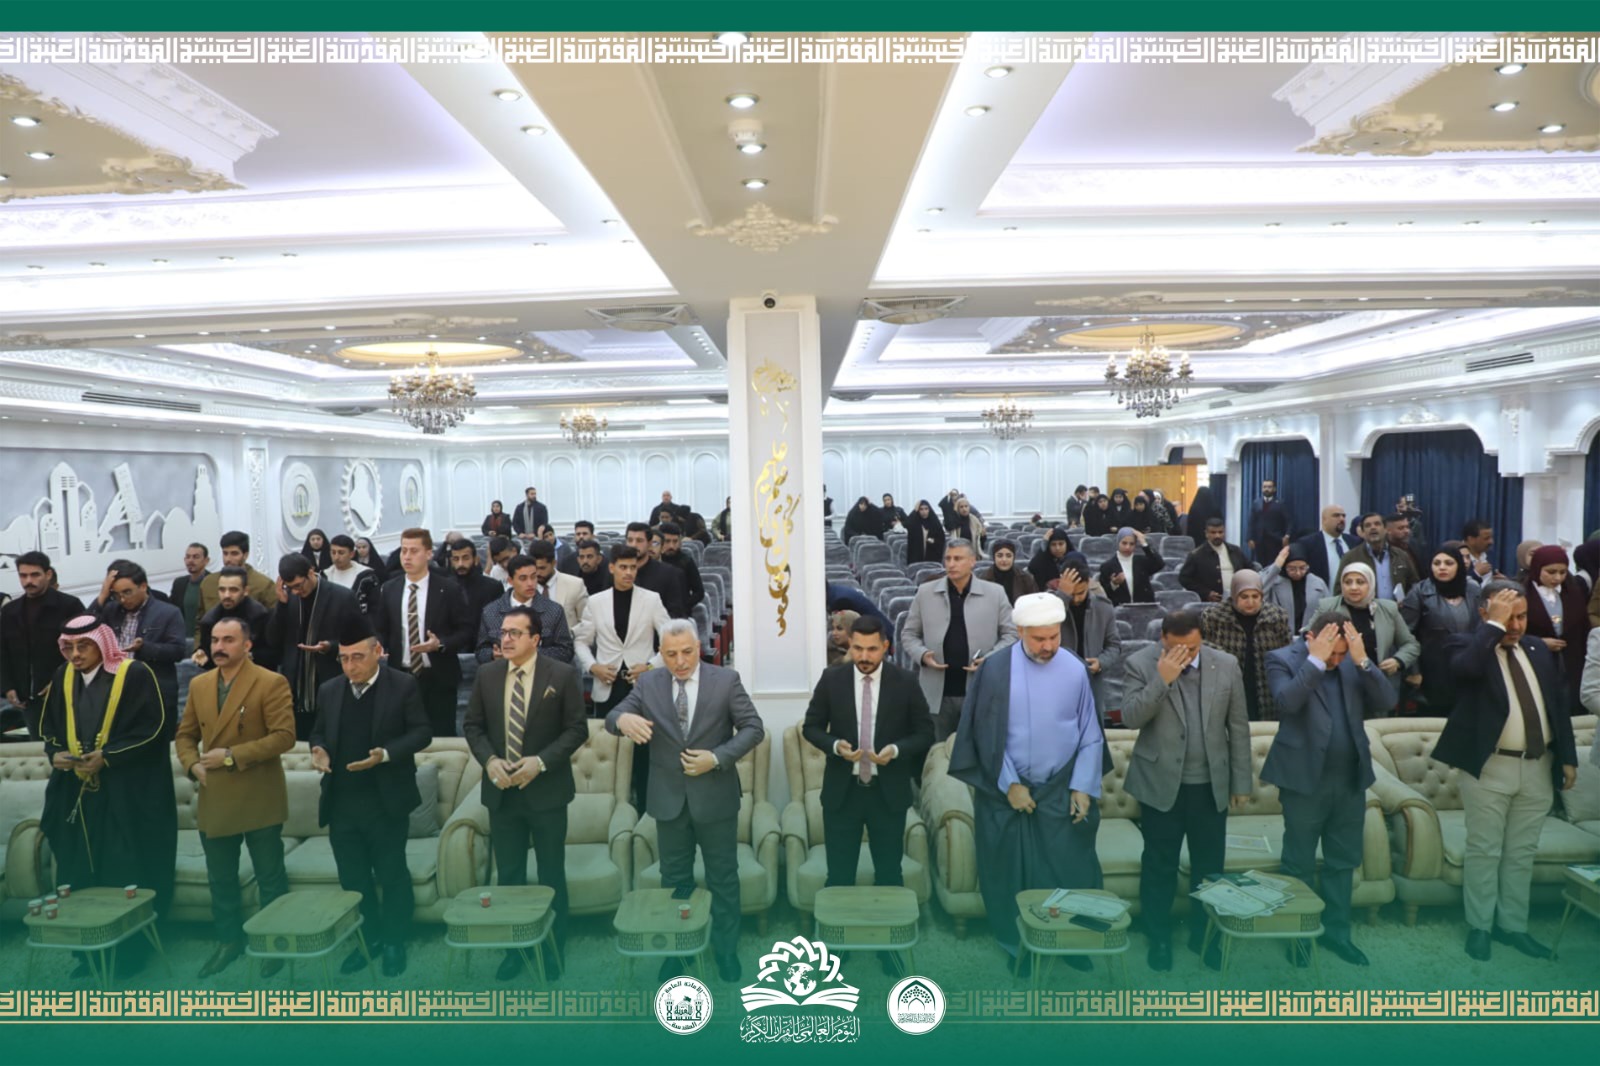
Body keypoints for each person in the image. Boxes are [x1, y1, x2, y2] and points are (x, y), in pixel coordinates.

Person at [947, 592, 1107, 974]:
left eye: (1054, 637)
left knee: (1071, 867)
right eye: (1039, 639)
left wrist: (1082, 785)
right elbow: (985, 734)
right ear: (1020, 631)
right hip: (1007, 791)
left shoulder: (1074, 668)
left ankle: (1071, 944)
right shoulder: (995, 670)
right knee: (1011, 874)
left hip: (1061, 788)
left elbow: (1091, 733)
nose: (1048, 646)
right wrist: (1010, 785)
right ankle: (1017, 946)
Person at [608, 620, 764, 983]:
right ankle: (679, 951)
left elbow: (753, 728)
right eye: (671, 654)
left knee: (723, 877)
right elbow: (613, 718)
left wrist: (718, 757)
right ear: (660, 653)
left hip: (716, 796)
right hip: (668, 800)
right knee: (675, 879)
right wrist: (624, 719)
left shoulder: (726, 681)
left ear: (699, 648)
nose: (680, 661)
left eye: (687, 652)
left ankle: (725, 949)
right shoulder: (648, 683)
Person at [1433, 584, 1580, 962]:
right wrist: (1493, 628)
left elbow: (1558, 705)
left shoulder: (1537, 650)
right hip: (1489, 766)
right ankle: (1480, 926)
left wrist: (1567, 757)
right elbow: (1465, 671)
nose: (1516, 625)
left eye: (1522, 616)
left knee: (1521, 852)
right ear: (1485, 613)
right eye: (1507, 616)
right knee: (1485, 850)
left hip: (1537, 765)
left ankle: (1513, 926)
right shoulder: (1465, 646)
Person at [40, 616, 177, 977]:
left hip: (125, 794)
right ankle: (87, 953)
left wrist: (109, 756)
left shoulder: (134, 675)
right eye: (68, 647)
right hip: (77, 793)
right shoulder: (62, 676)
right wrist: (54, 753)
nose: (75, 654)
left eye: (83, 646)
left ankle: (131, 954)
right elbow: (50, 729)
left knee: (124, 871)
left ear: (102, 644)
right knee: (79, 870)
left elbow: (155, 729)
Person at [802, 615, 933, 973]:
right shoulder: (832, 679)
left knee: (889, 873)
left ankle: (889, 946)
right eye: (857, 648)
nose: (863, 656)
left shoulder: (905, 682)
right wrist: (834, 746)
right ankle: (836, 948)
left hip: (887, 793)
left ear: (886, 647)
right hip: (842, 793)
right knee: (839, 874)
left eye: (871, 649)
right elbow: (811, 727)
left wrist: (896, 750)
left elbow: (925, 733)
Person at [1122, 608, 1251, 971]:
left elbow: (1238, 726)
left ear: (1201, 638)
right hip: (1161, 784)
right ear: (1163, 639)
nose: (1185, 654)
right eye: (1177, 647)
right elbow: (1130, 717)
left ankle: (1204, 934)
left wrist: (1241, 781)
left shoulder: (1226, 664)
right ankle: (1159, 937)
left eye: (1192, 648)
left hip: (1210, 785)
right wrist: (1161, 680)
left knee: (1209, 867)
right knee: (1159, 865)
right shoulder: (1139, 663)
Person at [464, 605, 588, 981]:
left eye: (515, 633)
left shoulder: (561, 675)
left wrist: (542, 762)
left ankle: (553, 947)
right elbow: (473, 727)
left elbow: (577, 729)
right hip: (502, 791)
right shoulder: (487, 675)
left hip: (546, 791)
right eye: (503, 632)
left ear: (535, 639)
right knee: (510, 874)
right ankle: (515, 949)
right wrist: (489, 762)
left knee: (551, 872)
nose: (506, 639)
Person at [1264, 614, 1395, 966]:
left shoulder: (1352, 659)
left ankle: (1338, 933)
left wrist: (1362, 660)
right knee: (1299, 863)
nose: (1337, 660)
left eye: (1341, 654)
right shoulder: (1282, 659)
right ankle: (1299, 935)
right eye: (1332, 653)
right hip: (1304, 780)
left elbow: (1387, 699)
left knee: (1343, 861)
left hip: (1349, 779)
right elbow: (1286, 702)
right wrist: (1316, 661)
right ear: (1311, 637)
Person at [308, 616, 433, 978]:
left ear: (378, 651)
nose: (350, 667)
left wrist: (387, 754)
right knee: (353, 878)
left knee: (391, 873)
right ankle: (369, 938)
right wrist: (319, 749)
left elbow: (422, 732)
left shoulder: (403, 685)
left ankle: (394, 940)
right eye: (344, 659)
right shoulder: (330, 690)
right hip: (341, 802)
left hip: (385, 800)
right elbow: (318, 732)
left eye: (358, 657)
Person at [175, 616, 297, 978]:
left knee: (269, 876)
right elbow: (185, 735)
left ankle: (275, 942)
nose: (219, 647)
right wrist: (191, 764)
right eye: (215, 640)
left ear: (247, 645)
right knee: (221, 878)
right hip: (215, 794)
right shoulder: (200, 684)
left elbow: (284, 736)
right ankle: (229, 941)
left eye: (228, 640)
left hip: (259, 793)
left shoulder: (270, 682)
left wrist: (231, 756)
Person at [901, 540, 1018, 742]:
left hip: (980, 690)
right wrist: (922, 654)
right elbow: (909, 634)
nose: (951, 564)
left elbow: (1011, 634)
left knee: (976, 750)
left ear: (972, 561)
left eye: (958, 558)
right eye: (948, 559)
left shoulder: (995, 593)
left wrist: (990, 659)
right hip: (937, 693)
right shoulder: (925, 592)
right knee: (937, 752)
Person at [375, 528, 474, 737]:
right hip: (400, 676)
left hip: (438, 678)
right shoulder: (390, 588)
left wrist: (440, 644)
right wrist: (379, 644)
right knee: (403, 735)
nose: (407, 557)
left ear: (429, 554)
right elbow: (380, 628)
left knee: (440, 736)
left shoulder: (448, 588)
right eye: (403, 551)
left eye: (414, 551)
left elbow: (465, 630)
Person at [267, 552, 361, 740]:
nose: (295, 592)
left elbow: (360, 640)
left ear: (311, 572)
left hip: (329, 680)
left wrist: (330, 646)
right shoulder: (288, 598)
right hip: (295, 687)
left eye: (298, 585)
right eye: (290, 587)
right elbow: (273, 640)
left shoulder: (342, 597)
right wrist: (281, 606)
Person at [94, 560, 186, 731]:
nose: (122, 599)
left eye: (127, 592)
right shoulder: (111, 610)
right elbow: (82, 631)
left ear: (143, 586)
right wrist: (102, 596)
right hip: (115, 691)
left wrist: (144, 647)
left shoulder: (168, 612)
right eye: (116, 594)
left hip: (154, 692)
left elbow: (178, 651)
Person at [1, 551, 84, 739]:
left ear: (48, 574)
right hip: (28, 701)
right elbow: (3, 652)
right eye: (23, 575)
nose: (28, 581)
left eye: (35, 575)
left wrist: (61, 679)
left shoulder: (69, 605)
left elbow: (85, 649)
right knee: (38, 746)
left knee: (71, 745)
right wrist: (8, 687)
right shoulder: (11, 611)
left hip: (66, 695)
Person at [1315, 562, 1420, 702]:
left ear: (1371, 584)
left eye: (1360, 582)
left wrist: (1398, 661)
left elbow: (1410, 644)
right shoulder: (1327, 606)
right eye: (1348, 582)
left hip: (1377, 682)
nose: (1353, 587)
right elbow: (1307, 638)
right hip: (1338, 684)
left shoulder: (1388, 609)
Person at [1400, 547, 1483, 715]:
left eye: (1449, 563)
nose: (1442, 567)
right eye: (1436, 563)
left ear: (1459, 566)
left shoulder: (1473, 589)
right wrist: (1413, 671)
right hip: (1433, 670)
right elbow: (1405, 634)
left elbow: (1483, 626)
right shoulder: (1419, 592)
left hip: (1469, 667)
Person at [1200, 571, 1293, 721]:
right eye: (1244, 597)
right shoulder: (1214, 616)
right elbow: (1206, 650)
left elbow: (1288, 650)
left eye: (1255, 596)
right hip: (1228, 681)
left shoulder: (1276, 616)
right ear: (1234, 595)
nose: (1250, 602)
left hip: (1266, 682)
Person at [1522, 544, 1593, 710]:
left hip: (1571, 663)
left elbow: (1583, 627)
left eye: (1563, 572)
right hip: (1536, 662)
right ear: (1537, 568)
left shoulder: (1572, 592)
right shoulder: (1523, 593)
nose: (1557, 578)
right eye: (1551, 572)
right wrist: (1539, 643)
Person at [1053, 558, 1121, 723]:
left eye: (1081, 593)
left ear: (1088, 584)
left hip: (1091, 682)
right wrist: (1063, 597)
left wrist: (1101, 662)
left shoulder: (1103, 607)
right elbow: (1047, 626)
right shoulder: (1051, 604)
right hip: (1056, 681)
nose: (1076, 599)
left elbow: (1114, 646)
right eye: (1072, 593)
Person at [476, 554, 574, 665]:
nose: (530, 583)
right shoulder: (490, 612)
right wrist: (493, 655)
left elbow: (565, 651)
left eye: (533, 577)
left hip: (542, 672)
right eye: (523, 578)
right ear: (510, 581)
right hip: (503, 672)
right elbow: (480, 652)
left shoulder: (554, 611)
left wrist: (529, 653)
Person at [194, 567, 276, 671]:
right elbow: (207, 655)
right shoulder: (209, 620)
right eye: (222, 590)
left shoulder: (261, 616)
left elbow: (273, 654)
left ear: (246, 591)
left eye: (233, 590)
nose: (227, 595)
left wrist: (249, 656)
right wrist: (202, 655)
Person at [1338, 512, 1420, 601]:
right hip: (1364, 608)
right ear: (1363, 532)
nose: (1373, 527)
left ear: (1385, 529)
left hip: (1396, 608)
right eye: (1368, 525)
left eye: (1377, 524)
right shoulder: (1351, 557)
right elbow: (1339, 589)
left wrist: (1408, 602)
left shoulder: (1401, 555)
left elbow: (1414, 584)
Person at [199, 531, 278, 622]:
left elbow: (274, 621)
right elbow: (200, 620)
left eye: (234, 554)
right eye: (225, 553)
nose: (228, 559)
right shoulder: (208, 583)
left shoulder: (264, 585)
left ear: (245, 555)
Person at [1179, 518, 1254, 604]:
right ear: (1206, 534)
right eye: (1213, 533)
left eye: (1220, 532)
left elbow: (1251, 569)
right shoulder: (1196, 555)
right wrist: (1206, 593)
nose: (1217, 536)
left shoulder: (1235, 551)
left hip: (1238, 600)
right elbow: (1184, 578)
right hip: (1211, 603)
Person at [625, 522, 689, 618]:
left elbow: (676, 612)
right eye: (630, 540)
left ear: (649, 544)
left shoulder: (669, 574)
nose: (634, 545)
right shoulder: (616, 573)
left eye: (639, 540)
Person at [1259, 542, 1327, 632]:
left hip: (1310, 635)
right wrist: (1276, 567)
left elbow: (1327, 610)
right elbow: (1258, 593)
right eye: (1292, 569)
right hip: (1279, 634)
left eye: (1302, 568)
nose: (1298, 573)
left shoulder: (1318, 583)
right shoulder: (1274, 582)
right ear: (1284, 566)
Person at [525, 539, 588, 633]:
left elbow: (586, 622)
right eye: (535, 568)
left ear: (554, 563)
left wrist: (570, 636)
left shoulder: (575, 585)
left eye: (542, 568)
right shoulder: (524, 588)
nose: (537, 573)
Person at [1292, 505, 1356, 586]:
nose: (1341, 519)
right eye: (1336, 515)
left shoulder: (1355, 542)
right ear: (1324, 520)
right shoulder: (1307, 544)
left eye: (1343, 516)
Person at [1100, 527, 1165, 606]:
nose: (1127, 547)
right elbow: (1103, 594)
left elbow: (1159, 564)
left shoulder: (1142, 562)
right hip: (1119, 609)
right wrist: (1114, 584)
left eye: (1131, 544)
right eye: (1124, 543)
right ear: (1118, 543)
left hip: (1143, 608)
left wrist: (1144, 543)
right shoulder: (1107, 566)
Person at [449, 539, 507, 620]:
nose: (460, 564)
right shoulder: (445, 588)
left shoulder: (493, 587)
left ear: (476, 560)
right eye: (456, 559)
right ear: (451, 561)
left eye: (466, 558)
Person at [323, 534, 380, 614]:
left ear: (352, 554)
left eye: (341, 553)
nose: (336, 557)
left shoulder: (367, 577)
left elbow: (375, 607)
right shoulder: (324, 576)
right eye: (333, 553)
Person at [658, 522, 706, 615]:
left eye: (675, 541)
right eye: (667, 541)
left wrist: (683, 605)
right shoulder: (653, 560)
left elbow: (699, 592)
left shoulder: (686, 561)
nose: (671, 546)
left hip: (680, 614)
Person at [170, 542, 211, 643]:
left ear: (206, 560)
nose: (190, 561)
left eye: (196, 557)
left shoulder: (213, 582)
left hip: (206, 639)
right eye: (188, 557)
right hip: (182, 640)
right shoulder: (179, 583)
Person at [1247, 479, 1291, 567]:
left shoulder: (1280, 503)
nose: (1266, 489)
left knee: (1274, 564)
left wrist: (1287, 535)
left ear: (1274, 489)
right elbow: (1251, 522)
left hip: (1275, 540)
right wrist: (1249, 538)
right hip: (1259, 540)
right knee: (1260, 564)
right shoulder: (1256, 503)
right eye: (1264, 487)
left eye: (1269, 487)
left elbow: (1289, 521)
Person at [980, 539, 1038, 606]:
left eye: (1008, 556)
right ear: (994, 557)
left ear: (1013, 557)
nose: (1004, 559)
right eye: (999, 556)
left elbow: (1034, 604)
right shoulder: (983, 580)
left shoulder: (1026, 579)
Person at [1026, 527, 1074, 591]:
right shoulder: (1043, 561)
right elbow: (1033, 567)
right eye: (1053, 544)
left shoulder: (1073, 559)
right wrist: (1044, 544)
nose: (1057, 548)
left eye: (1061, 544)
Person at [903, 499, 947, 566]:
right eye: (921, 509)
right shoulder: (915, 523)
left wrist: (934, 541)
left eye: (926, 509)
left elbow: (941, 539)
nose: (924, 512)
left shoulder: (935, 523)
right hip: (916, 558)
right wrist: (915, 510)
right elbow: (906, 524)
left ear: (929, 510)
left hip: (932, 558)